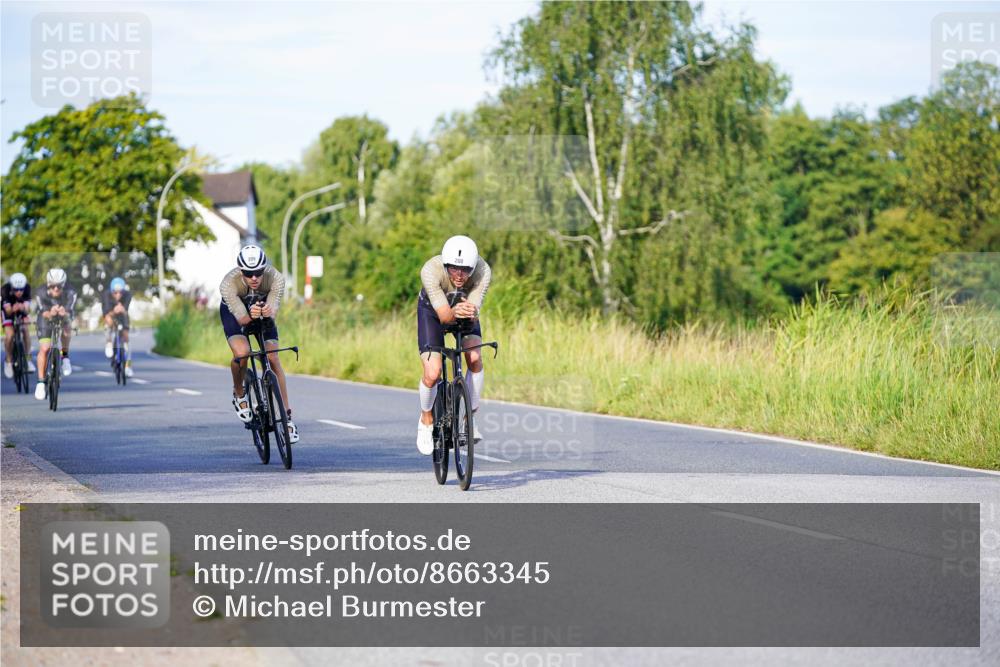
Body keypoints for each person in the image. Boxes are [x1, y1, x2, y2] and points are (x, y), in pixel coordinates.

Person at [416, 235, 491, 455]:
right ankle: (426, 419)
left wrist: (471, 312)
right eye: (454, 270)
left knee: (475, 358)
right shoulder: (430, 270)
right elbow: (444, 317)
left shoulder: (483, 271)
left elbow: (473, 312)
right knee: (433, 371)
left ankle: (469, 419)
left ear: (474, 266)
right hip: (433, 312)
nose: (459, 276)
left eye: (465, 270)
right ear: (446, 265)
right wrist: (455, 312)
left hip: (464, 312)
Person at [219, 244, 299, 443]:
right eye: (248, 273)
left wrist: (266, 311)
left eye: (258, 273)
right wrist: (250, 315)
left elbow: (273, 310)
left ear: (264, 269)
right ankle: (239, 394)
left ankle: (287, 419)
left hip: (262, 311)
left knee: (273, 357)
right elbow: (243, 320)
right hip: (236, 314)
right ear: (241, 271)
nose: (254, 278)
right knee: (243, 352)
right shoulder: (228, 284)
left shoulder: (276, 278)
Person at [34, 268, 77, 400]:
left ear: (64, 284)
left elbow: (70, 311)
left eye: (60, 286)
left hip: (63, 316)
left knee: (67, 326)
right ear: (48, 284)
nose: (56, 289)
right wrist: (50, 312)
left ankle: (65, 356)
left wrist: (65, 312)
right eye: (53, 286)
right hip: (45, 317)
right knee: (45, 348)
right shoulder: (41, 292)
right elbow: (43, 311)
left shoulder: (71, 291)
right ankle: (41, 382)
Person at [2, 272, 36, 378]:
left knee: (25, 330)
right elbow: (7, 311)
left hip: (20, 310)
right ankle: (8, 361)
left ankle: (28, 360)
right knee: (10, 335)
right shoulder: (5, 290)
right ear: (12, 287)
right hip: (7, 311)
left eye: (21, 289)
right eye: (16, 289)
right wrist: (13, 308)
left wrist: (23, 309)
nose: (19, 292)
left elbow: (27, 308)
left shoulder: (27, 288)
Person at [102, 277, 134, 377]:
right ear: (112, 292)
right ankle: (109, 342)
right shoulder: (106, 295)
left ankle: (128, 366)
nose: (118, 295)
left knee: (126, 337)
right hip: (110, 314)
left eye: (120, 293)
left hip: (122, 315)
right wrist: (114, 311)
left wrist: (122, 309)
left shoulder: (128, 295)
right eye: (115, 293)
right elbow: (106, 311)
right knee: (108, 320)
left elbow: (125, 309)